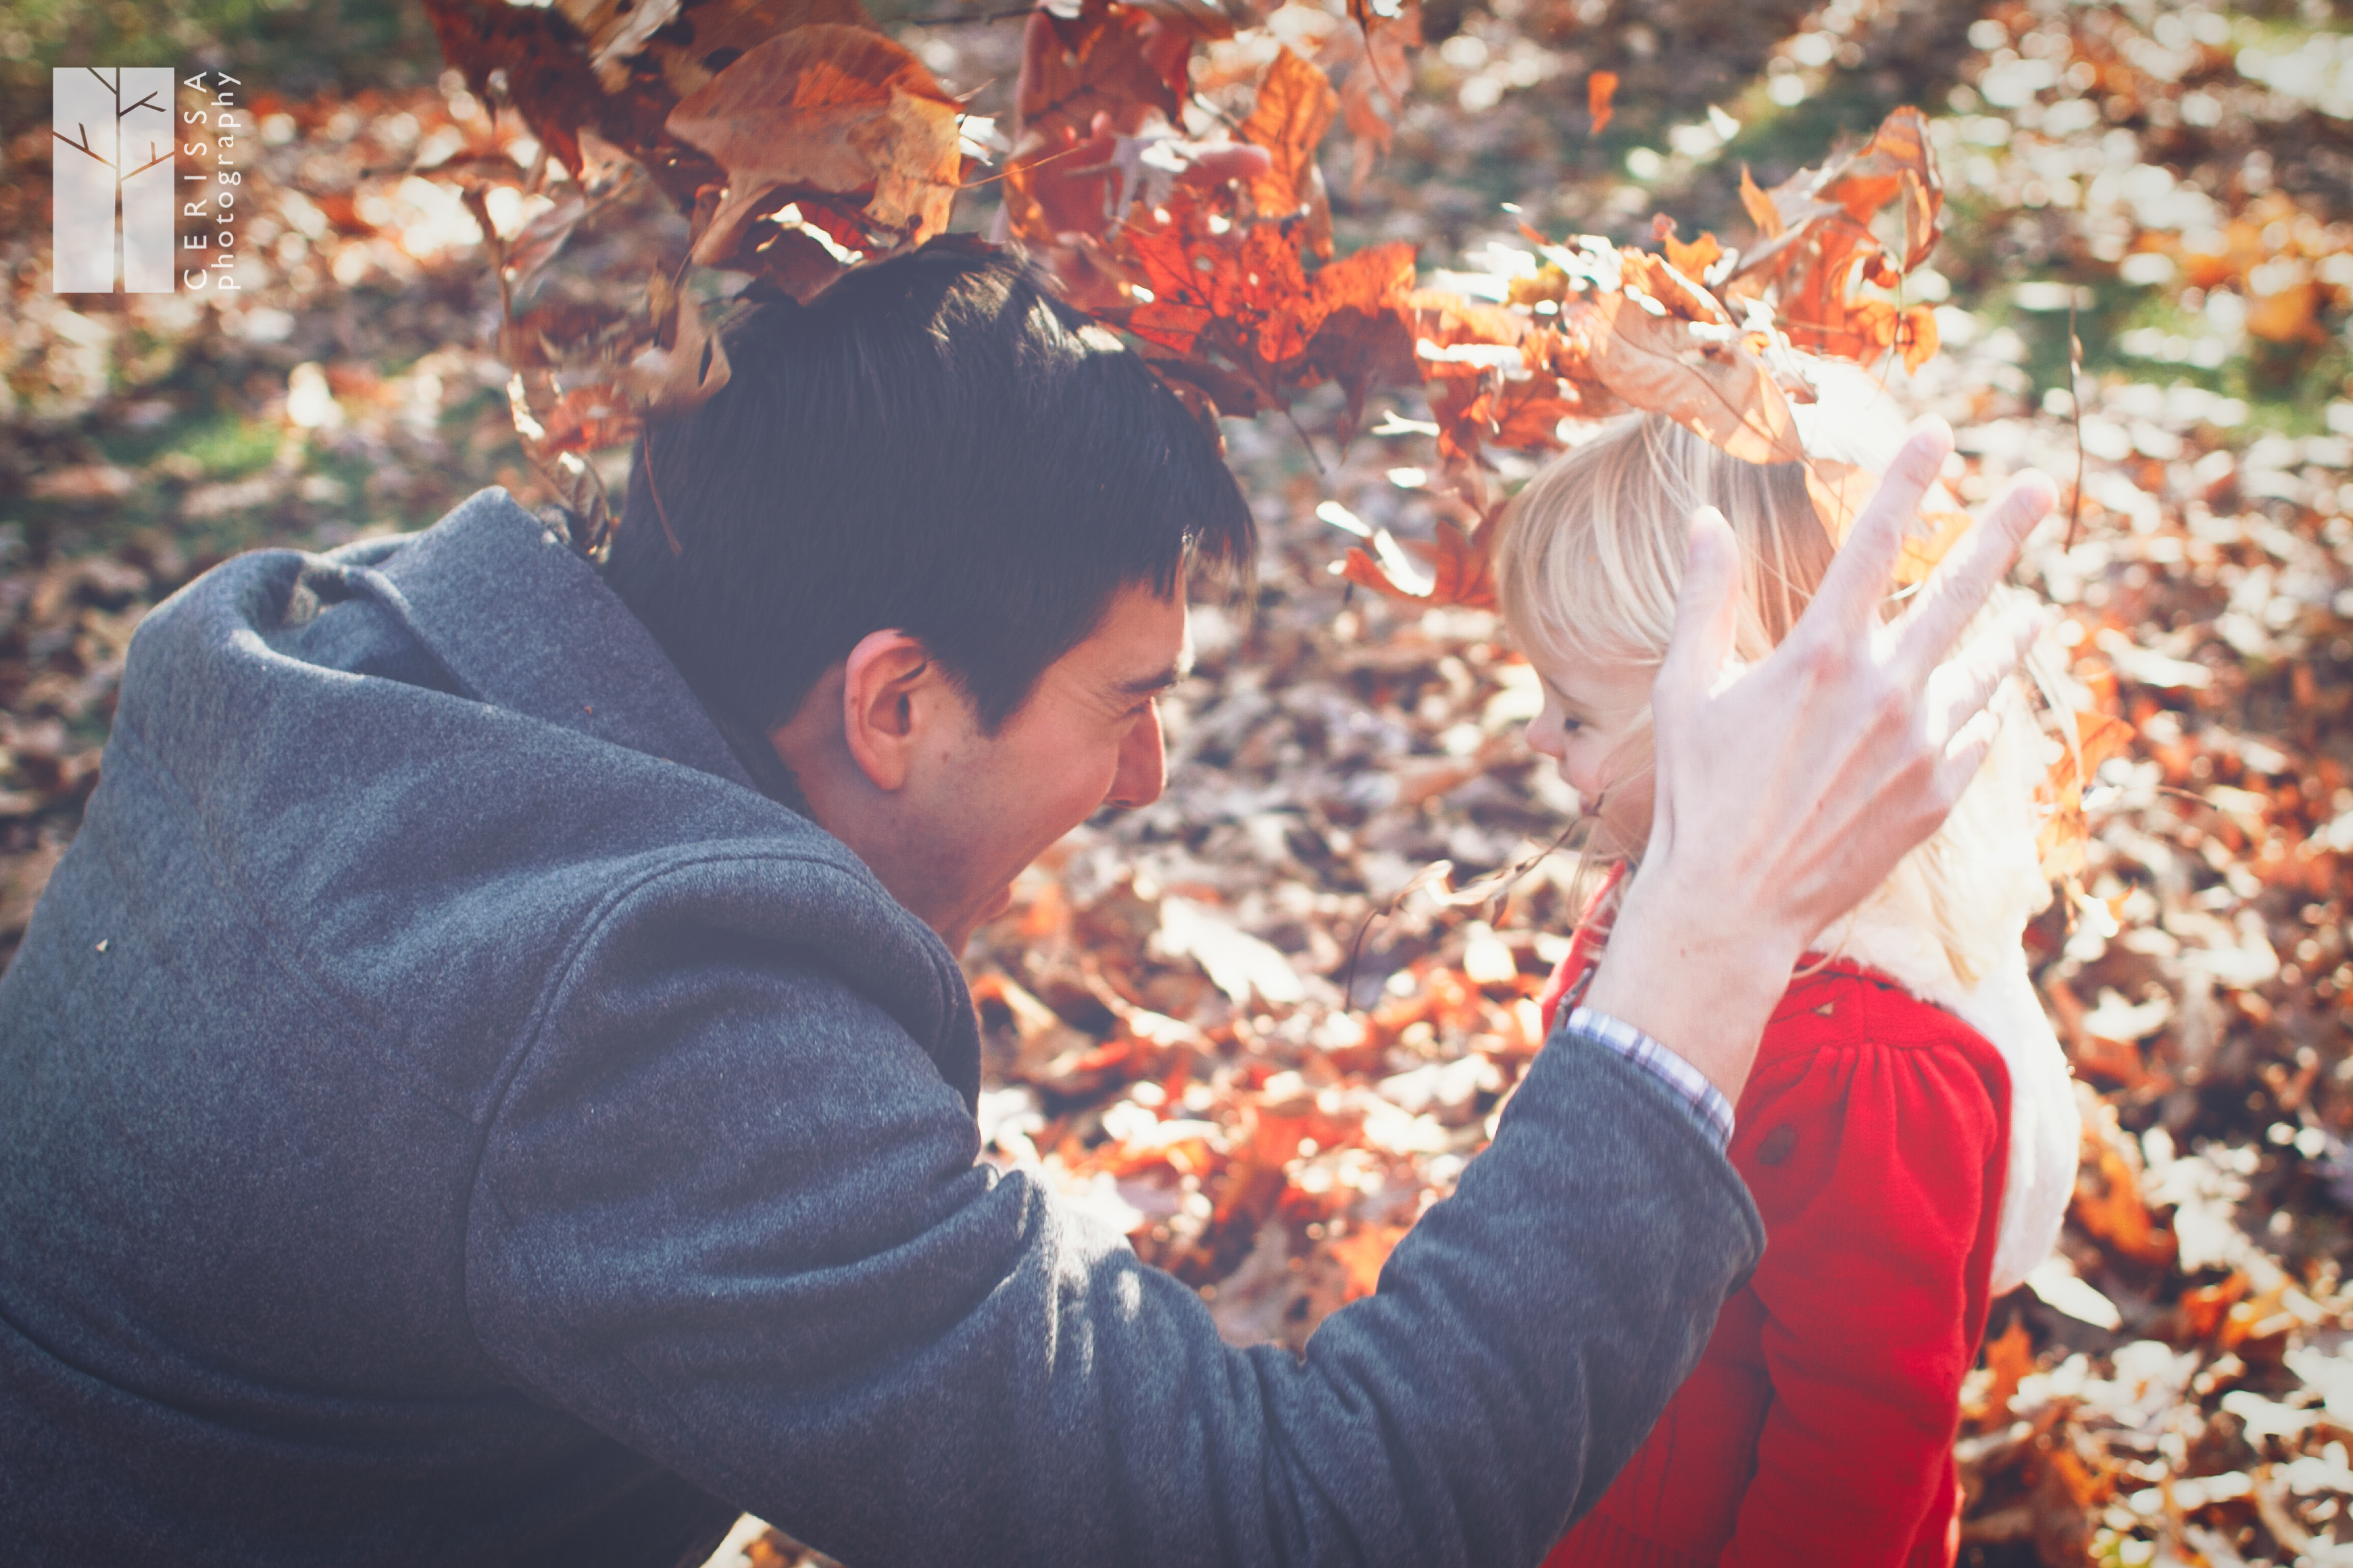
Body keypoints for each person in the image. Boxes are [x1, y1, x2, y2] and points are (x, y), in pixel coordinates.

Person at [0, 245, 2056, 1567]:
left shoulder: (363, 658)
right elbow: (1305, 1529)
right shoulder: (616, 1021)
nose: (1153, 777)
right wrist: (1710, 931)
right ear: (891, 698)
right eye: (1130, 704)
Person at [1493, 414, 2081, 1568]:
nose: (1531, 735)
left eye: (1572, 712)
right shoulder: (1652, 909)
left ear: (1753, 713)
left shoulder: (1861, 1068)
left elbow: (1861, 1444)